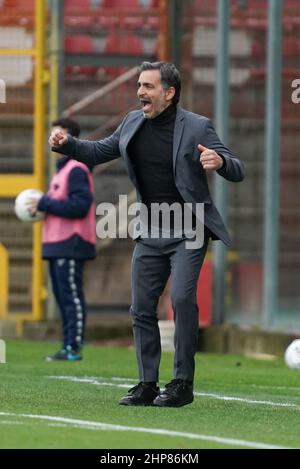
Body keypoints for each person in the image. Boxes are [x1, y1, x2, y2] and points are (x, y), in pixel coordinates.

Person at [49, 62, 244, 404]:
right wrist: (68, 144)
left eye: (149, 86)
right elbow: (98, 151)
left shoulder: (198, 127)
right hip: (150, 229)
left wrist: (220, 162)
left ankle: (182, 383)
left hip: (189, 230)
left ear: (168, 93)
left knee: (182, 300)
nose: (141, 92)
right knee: (141, 307)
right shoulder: (132, 122)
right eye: (139, 85)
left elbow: (236, 168)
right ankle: (147, 384)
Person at [29, 117, 96, 361]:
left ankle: (73, 347)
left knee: (71, 296)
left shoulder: (76, 168)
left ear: (71, 139)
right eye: (52, 134)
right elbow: (61, 204)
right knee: (62, 296)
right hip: (57, 243)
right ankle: (67, 345)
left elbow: (79, 205)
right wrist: (41, 207)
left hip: (71, 242)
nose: (53, 139)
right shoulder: (62, 171)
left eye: (59, 134)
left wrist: (45, 202)